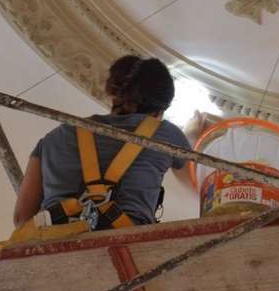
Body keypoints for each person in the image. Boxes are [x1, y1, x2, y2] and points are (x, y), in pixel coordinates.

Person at [13, 55, 192, 230]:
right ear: (161, 110)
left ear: (114, 95)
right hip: (129, 244)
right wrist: (194, 136)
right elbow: (196, 183)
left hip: (58, 246)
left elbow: (22, 219)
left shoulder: (52, 139)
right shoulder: (166, 135)